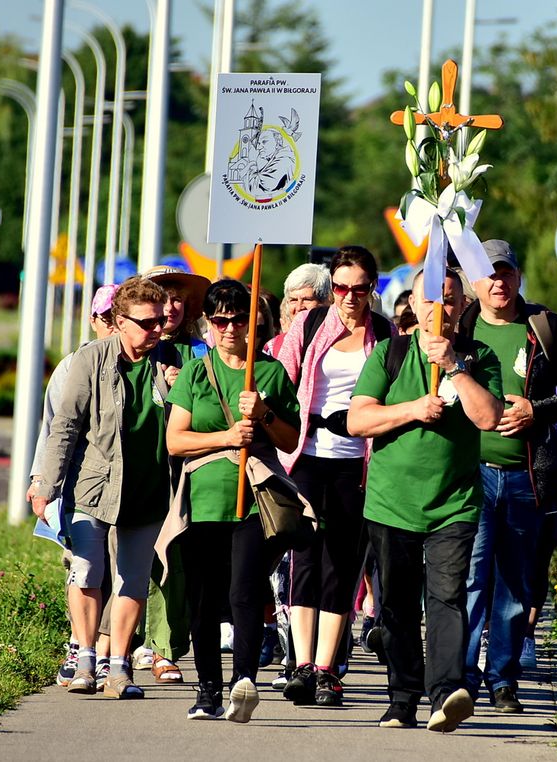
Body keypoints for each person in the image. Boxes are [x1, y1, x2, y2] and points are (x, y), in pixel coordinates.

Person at [348, 267, 503, 732]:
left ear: (462, 307)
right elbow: (358, 420)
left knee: (447, 598)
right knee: (395, 604)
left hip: (453, 505)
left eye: (451, 300)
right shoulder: (390, 353)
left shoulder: (479, 356)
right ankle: (402, 698)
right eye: (431, 299)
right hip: (391, 503)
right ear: (413, 305)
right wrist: (414, 409)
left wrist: (455, 368)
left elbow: (489, 417)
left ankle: (445, 693)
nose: (442, 308)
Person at [456, 240, 557, 713]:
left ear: (518, 277)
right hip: (468, 474)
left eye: (507, 273)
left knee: (515, 583)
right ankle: (463, 679)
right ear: (476, 281)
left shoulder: (543, 325)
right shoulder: (460, 326)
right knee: (471, 579)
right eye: (490, 275)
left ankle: (503, 679)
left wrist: (537, 410)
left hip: (525, 476)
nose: (499, 282)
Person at [30, 277, 178, 699]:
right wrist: (45, 483)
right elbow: (64, 427)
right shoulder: (90, 360)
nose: (156, 331)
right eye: (147, 323)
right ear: (119, 321)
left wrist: (173, 384)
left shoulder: (172, 361)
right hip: (92, 487)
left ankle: (119, 669)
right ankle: (86, 660)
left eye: (160, 323)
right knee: (87, 570)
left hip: (147, 490)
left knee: (132, 578)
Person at [163, 278, 302, 720]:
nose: (228, 329)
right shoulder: (195, 373)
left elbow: (290, 438)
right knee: (203, 601)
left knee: (244, 591)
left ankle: (243, 682)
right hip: (202, 500)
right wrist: (227, 435)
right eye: (219, 320)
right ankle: (208, 690)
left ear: (252, 323)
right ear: (207, 323)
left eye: (238, 320)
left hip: (253, 500)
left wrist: (262, 413)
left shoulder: (270, 372)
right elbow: (175, 441)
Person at [274, 245, 395, 707]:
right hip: (306, 454)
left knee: (341, 564)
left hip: (356, 458)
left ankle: (327, 670)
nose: (349, 297)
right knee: (303, 556)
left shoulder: (384, 335)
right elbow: (281, 382)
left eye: (359, 289)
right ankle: (301, 665)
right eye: (341, 288)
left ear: (371, 289)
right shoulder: (308, 326)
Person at [29, 285, 119, 687]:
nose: (112, 325)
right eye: (106, 318)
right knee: (83, 566)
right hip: (78, 485)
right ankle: (79, 647)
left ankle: (102, 652)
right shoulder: (73, 366)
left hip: (124, 488)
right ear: (94, 319)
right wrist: (41, 482)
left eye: (120, 318)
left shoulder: (139, 363)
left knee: (117, 572)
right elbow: (54, 428)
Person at [135, 265, 211, 684]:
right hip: (132, 467)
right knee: (125, 559)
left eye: (178, 297)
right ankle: (115, 645)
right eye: (162, 296)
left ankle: (164, 648)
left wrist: (185, 390)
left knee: (171, 558)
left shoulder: (200, 352)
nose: (171, 306)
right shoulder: (126, 349)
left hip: (182, 469)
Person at [266, 263, 331, 357]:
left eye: (307, 299)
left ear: (326, 301)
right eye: (293, 300)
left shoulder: (339, 345)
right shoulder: (274, 348)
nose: (299, 307)